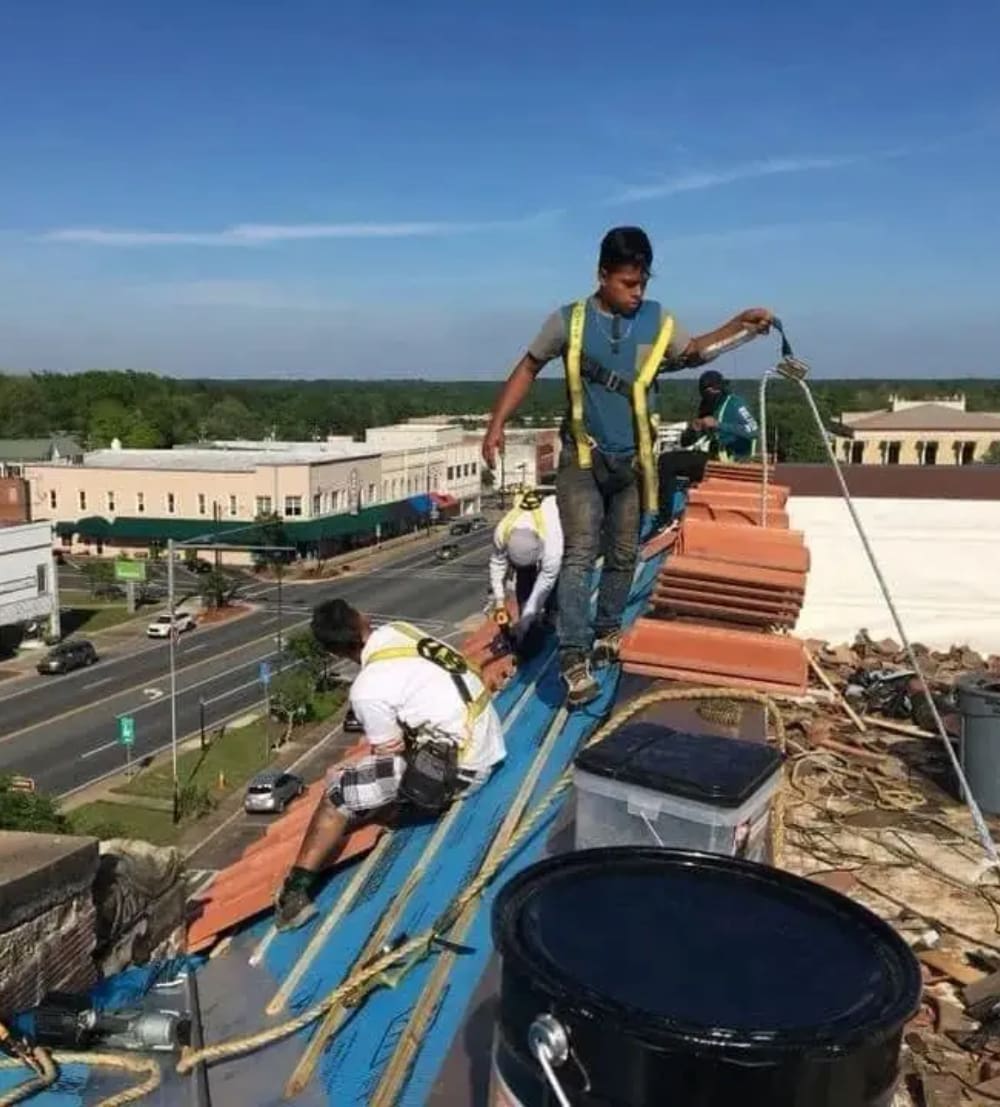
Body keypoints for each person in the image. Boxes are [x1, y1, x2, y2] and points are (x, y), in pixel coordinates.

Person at [481, 226, 773, 707]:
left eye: (643, 284)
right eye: (627, 284)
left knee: (623, 553)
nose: (638, 294)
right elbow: (528, 367)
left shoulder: (656, 321)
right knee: (579, 554)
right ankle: (573, 657)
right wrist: (497, 424)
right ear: (602, 276)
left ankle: (607, 632)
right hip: (582, 458)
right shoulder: (568, 322)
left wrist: (739, 326)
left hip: (635, 462)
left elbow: (693, 351)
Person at [274, 598, 506, 930]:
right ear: (363, 618)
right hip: (486, 737)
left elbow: (389, 757)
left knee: (338, 794)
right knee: (367, 778)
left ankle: (295, 895)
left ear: (336, 652)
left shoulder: (367, 689)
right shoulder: (401, 631)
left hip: (462, 767)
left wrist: (347, 778)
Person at [487, 488, 563, 651]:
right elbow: (497, 563)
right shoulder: (502, 531)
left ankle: (551, 615)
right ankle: (528, 625)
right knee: (524, 577)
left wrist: (524, 623)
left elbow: (546, 580)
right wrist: (499, 600)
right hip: (530, 543)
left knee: (556, 580)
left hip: (560, 523)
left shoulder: (552, 541)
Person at [680, 368, 759, 462]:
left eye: (714, 390)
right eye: (707, 392)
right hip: (715, 458)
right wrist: (693, 430)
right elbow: (685, 443)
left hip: (738, 460)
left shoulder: (735, 404)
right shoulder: (706, 406)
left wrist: (719, 425)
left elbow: (754, 430)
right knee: (670, 460)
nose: (711, 395)